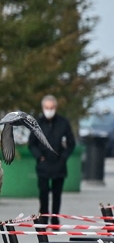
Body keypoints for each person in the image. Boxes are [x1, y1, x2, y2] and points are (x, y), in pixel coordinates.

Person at [32, 95, 76, 225]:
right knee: (43, 192)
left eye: (51, 107)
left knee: (57, 194)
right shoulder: (37, 124)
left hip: (58, 164)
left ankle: (55, 218)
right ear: (42, 108)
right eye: (47, 107)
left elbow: (71, 143)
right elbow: (32, 144)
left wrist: (63, 157)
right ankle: (44, 217)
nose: (49, 110)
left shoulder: (63, 123)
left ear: (55, 108)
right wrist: (39, 156)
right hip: (43, 165)